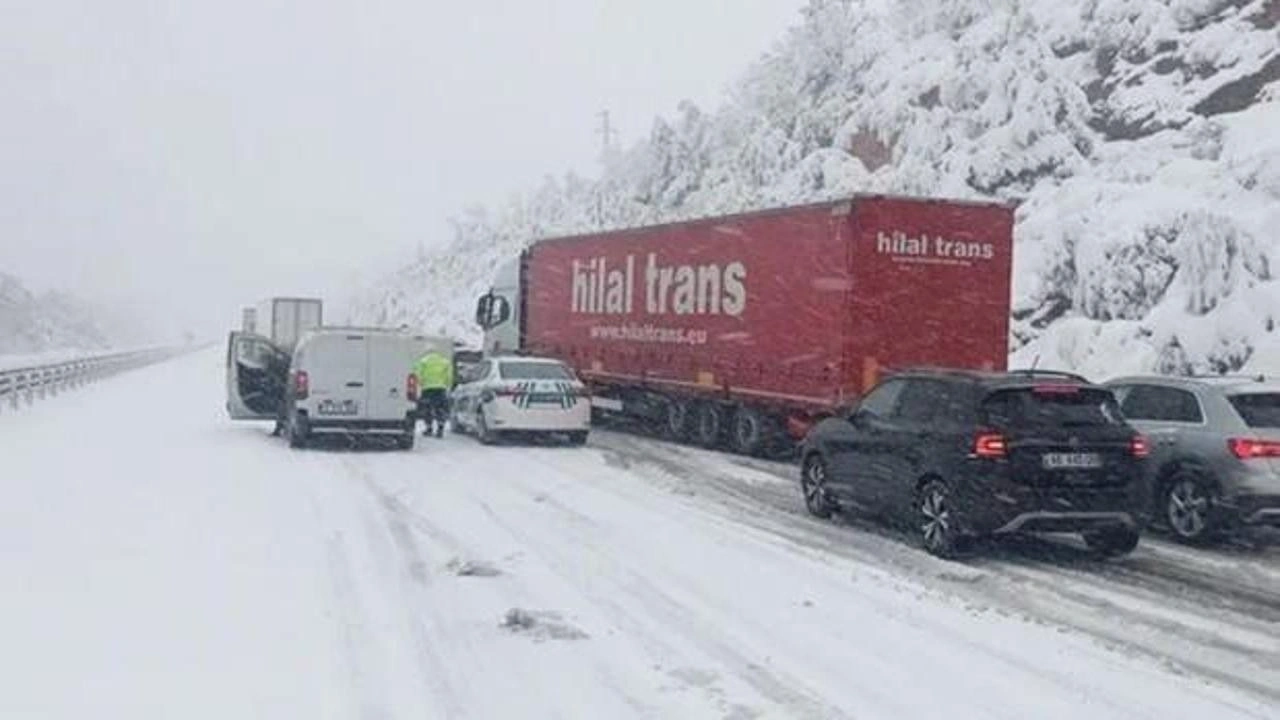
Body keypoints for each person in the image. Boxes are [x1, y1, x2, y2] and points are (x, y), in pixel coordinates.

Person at [414, 349, 453, 437]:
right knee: (440, 409)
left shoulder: (423, 361)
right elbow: (449, 376)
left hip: (427, 388)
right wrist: (447, 385)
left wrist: (421, 383)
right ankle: (440, 428)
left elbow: (418, 374)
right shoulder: (444, 362)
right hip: (440, 388)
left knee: (427, 409)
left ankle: (429, 428)